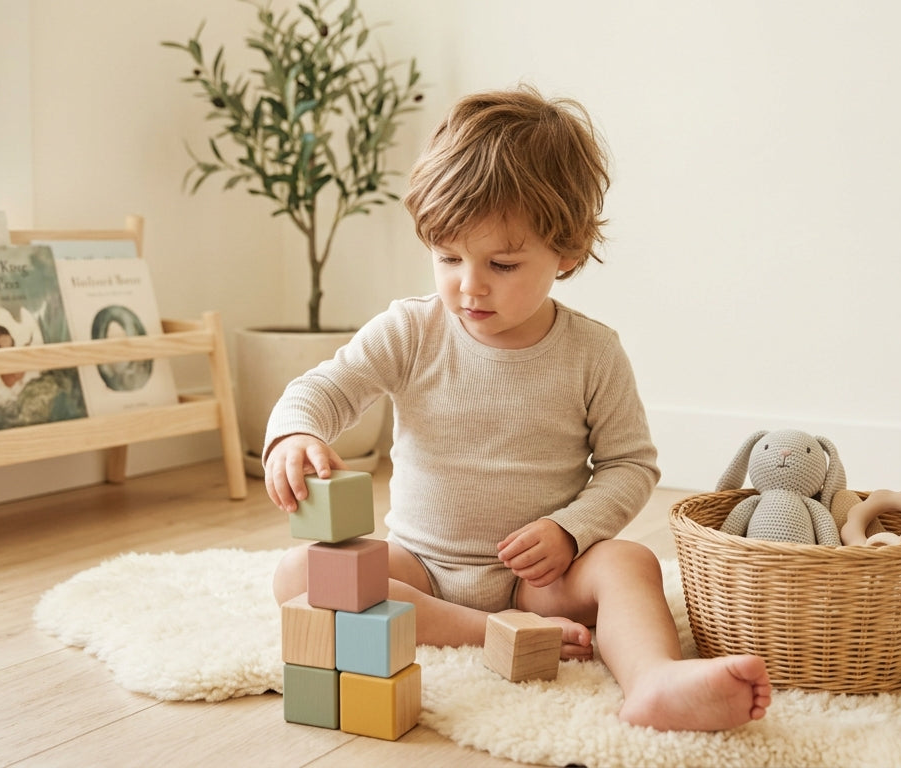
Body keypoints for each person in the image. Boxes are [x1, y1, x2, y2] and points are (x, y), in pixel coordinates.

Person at [265, 85, 771, 731]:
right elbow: (325, 388)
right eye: (447, 257)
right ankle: (490, 634)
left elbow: (628, 466)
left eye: (502, 263)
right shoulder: (410, 331)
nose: (468, 284)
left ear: (568, 252)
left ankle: (653, 680)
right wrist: (294, 435)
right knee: (299, 575)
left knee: (628, 563)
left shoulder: (591, 351)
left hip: (539, 580)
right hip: (418, 566)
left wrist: (571, 530)